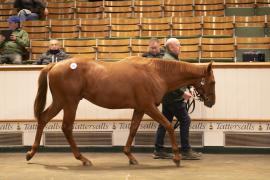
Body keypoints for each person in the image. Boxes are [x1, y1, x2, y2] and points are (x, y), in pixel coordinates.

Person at [152, 38, 201, 160]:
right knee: (185, 121)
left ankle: (158, 149)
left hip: (168, 97)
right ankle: (185, 150)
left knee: (165, 123)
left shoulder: (170, 59)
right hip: (174, 98)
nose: (180, 47)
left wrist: (186, 88)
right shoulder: (170, 61)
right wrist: (182, 92)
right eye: (178, 45)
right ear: (172, 47)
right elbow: (169, 82)